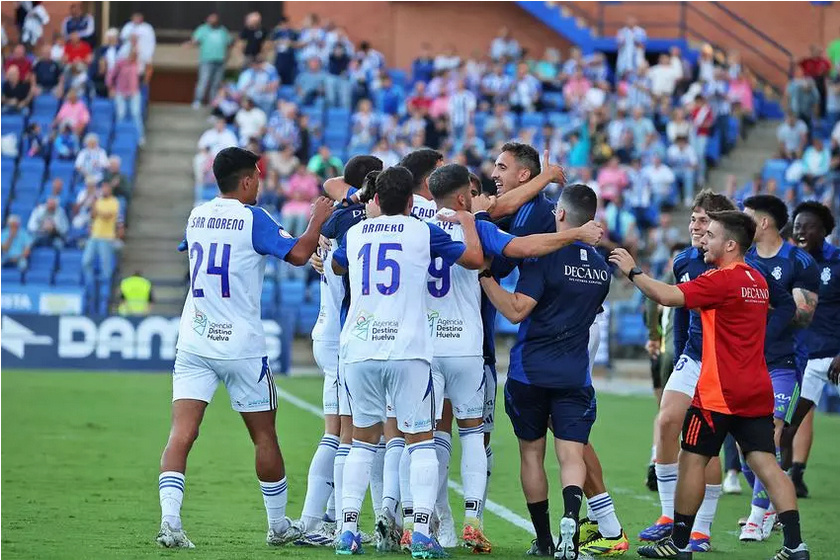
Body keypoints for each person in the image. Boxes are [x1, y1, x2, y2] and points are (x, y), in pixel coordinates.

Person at [156, 147, 333, 548]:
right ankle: (277, 526)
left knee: (181, 433)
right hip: (241, 347)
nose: (261, 180)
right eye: (258, 174)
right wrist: (316, 220)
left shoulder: (197, 214)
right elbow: (300, 254)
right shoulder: (253, 217)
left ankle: (170, 522)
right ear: (248, 180)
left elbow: (189, 248)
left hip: (195, 341)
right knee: (264, 436)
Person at [612, 211, 808, 560]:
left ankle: (680, 542)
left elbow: (668, 296)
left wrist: (632, 270)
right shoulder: (756, 279)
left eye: (712, 235)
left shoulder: (722, 280)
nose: (704, 239)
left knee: (691, 461)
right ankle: (795, 544)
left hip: (719, 393)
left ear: (730, 244)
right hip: (755, 389)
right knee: (766, 463)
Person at [329, 166, 484, 557]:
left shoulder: (355, 231)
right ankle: (420, 533)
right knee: (421, 442)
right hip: (408, 350)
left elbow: (336, 265)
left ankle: (347, 530)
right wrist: (467, 222)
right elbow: (471, 259)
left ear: (376, 199)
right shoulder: (422, 230)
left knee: (362, 441)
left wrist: (366, 220)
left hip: (360, 348)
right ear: (413, 202)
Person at [480, 184, 610, 560]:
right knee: (571, 455)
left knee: (532, 456)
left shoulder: (544, 259)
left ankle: (544, 539)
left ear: (562, 215)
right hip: (574, 375)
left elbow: (517, 309)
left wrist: (487, 278)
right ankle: (572, 518)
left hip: (531, 372)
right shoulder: (601, 270)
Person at [639, 190, 736, 553]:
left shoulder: (737, 263)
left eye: (701, 220)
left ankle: (702, 528)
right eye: (693, 219)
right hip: (692, 357)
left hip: (723, 366)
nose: (694, 226)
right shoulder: (685, 262)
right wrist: (678, 353)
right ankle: (667, 514)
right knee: (666, 423)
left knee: (703, 447)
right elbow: (679, 311)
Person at [295, 156, 384, 547]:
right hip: (348, 336)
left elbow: (332, 185)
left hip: (328, 330)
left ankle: (324, 517)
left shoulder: (336, 222)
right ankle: (320, 522)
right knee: (346, 435)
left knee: (342, 433)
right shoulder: (362, 223)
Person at [738, 195, 820, 541]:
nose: (742, 225)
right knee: (746, 450)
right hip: (745, 363)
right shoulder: (743, 258)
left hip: (785, 363)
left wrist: (764, 302)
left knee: (769, 436)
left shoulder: (800, 262)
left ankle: (757, 517)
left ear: (764, 222)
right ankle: (770, 502)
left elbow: (804, 315)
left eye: (747, 218)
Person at [782, 202, 840, 499]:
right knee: (789, 424)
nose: (801, 231)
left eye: (809, 226)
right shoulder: (795, 263)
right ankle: (787, 483)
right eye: (797, 226)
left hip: (837, 354)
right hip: (809, 357)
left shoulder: (838, 261)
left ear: (825, 230)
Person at [186, 13, 231, 108]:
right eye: (211, 19)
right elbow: (195, 40)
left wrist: (227, 57)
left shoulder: (223, 30)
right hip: (207, 60)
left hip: (220, 61)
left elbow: (229, 43)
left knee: (216, 83)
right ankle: (198, 100)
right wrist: (188, 44)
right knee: (203, 81)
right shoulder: (203, 29)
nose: (213, 21)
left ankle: (213, 102)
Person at [81, 182, 120, 285]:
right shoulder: (98, 201)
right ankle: (90, 283)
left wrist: (99, 211)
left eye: (106, 188)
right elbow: (93, 216)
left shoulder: (114, 202)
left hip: (106, 237)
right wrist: (94, 204)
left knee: (105, 265)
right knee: (86, 261)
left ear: (110, 190)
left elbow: (108, 215)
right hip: (94, 235)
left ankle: (104, 287)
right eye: (103, 188)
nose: (104, 190)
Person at [108, 49, 145, 144]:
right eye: (132, 55)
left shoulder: (138, 65)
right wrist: (111, 87)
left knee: (135, 114)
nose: (134, 57)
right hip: (120, 91)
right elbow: (111, 75)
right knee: (120, 114)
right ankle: (118, 135)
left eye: (135, 55)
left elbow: (142, 74)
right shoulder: (121, 63)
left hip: (134, 92)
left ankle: (139, 137)